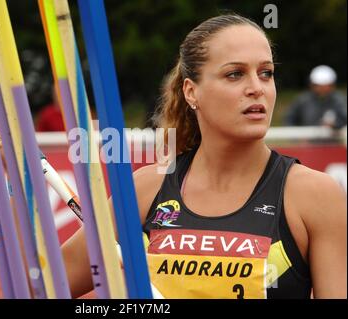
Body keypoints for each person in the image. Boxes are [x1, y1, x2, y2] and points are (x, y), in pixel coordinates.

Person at [60, 14, 346, 299]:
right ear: (191, 91)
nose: (257, 88)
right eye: (234, 74)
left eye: (266, 73)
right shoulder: (145, 189)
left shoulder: (314, 196)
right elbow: (41, 285)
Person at [283, 65, 347, 129]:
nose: (322, 89)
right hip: (307, 137)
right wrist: (297, 137)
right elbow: (289, 119)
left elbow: (344, 118)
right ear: (312, 85)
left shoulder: (340, 100)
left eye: (325, 86)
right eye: (319, 86)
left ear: (332, 85)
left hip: (334, 139)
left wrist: (336, 125)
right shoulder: (303, 100)